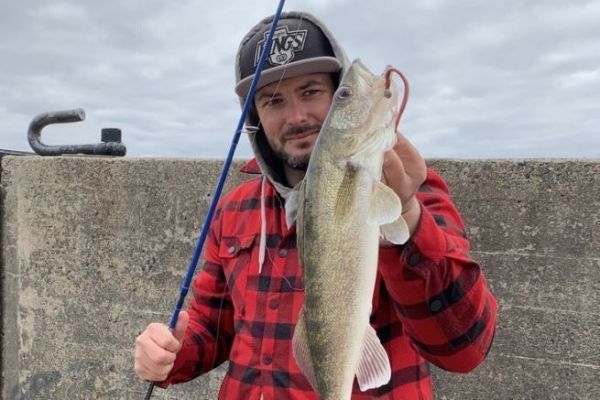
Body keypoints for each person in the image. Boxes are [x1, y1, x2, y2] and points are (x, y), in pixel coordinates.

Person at [134, 11, 497, 400]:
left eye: (312, 92)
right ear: (255, 116)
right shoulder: (234, 210)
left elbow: (464, 349)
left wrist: (407, 219)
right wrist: (173, 353)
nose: (297, 117)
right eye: (272, 101)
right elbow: (214, 325)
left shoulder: (408, 191)